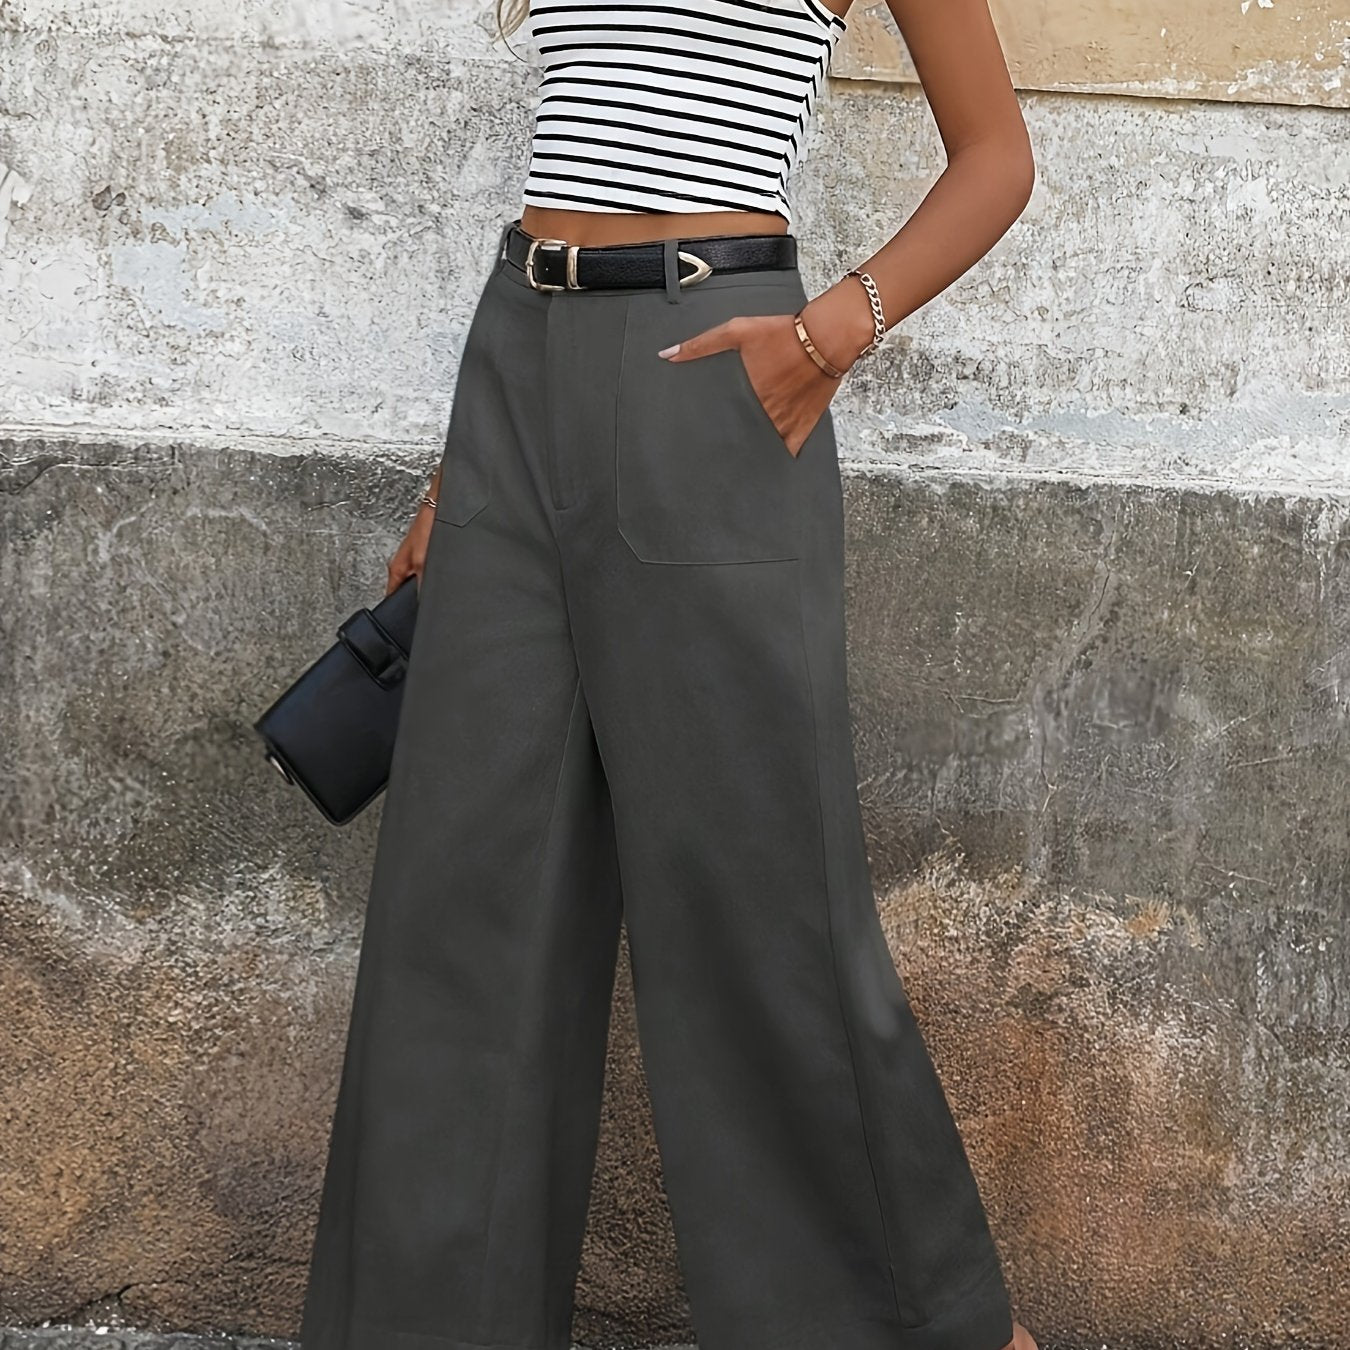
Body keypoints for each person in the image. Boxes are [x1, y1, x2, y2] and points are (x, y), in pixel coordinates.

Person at [298, 0, 1037, 1347]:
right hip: (517, 357)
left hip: (717, 359)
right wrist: (461, 472)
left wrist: (832, 331)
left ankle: (923, 1334)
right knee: (462, 897)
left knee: (761, 892)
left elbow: (995, 157)